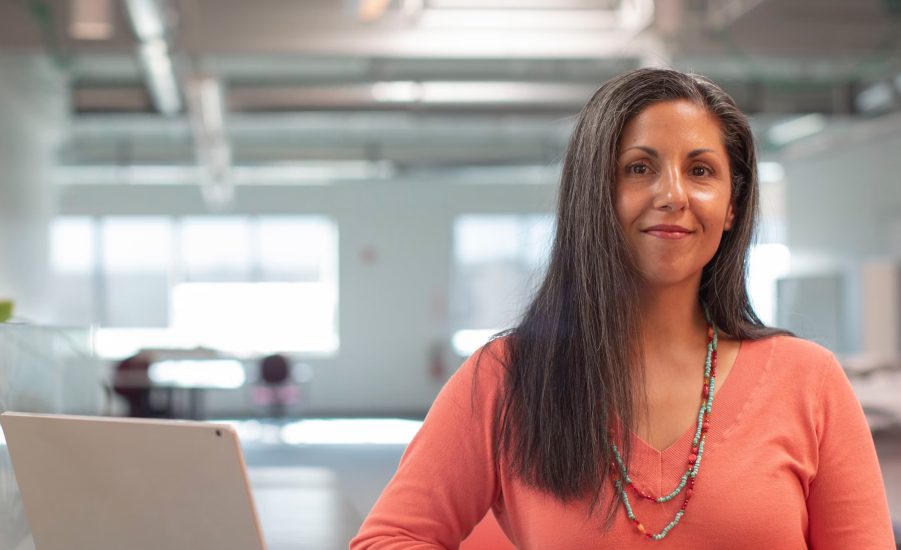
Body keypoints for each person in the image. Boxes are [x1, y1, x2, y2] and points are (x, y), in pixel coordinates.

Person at [350, 68, 896, 548]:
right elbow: (391, 539)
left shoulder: (810, 381)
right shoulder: (508, 378)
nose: (673, 194)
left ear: (732, 206)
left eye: (701, 171)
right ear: (596, 194)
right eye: (639, 168)